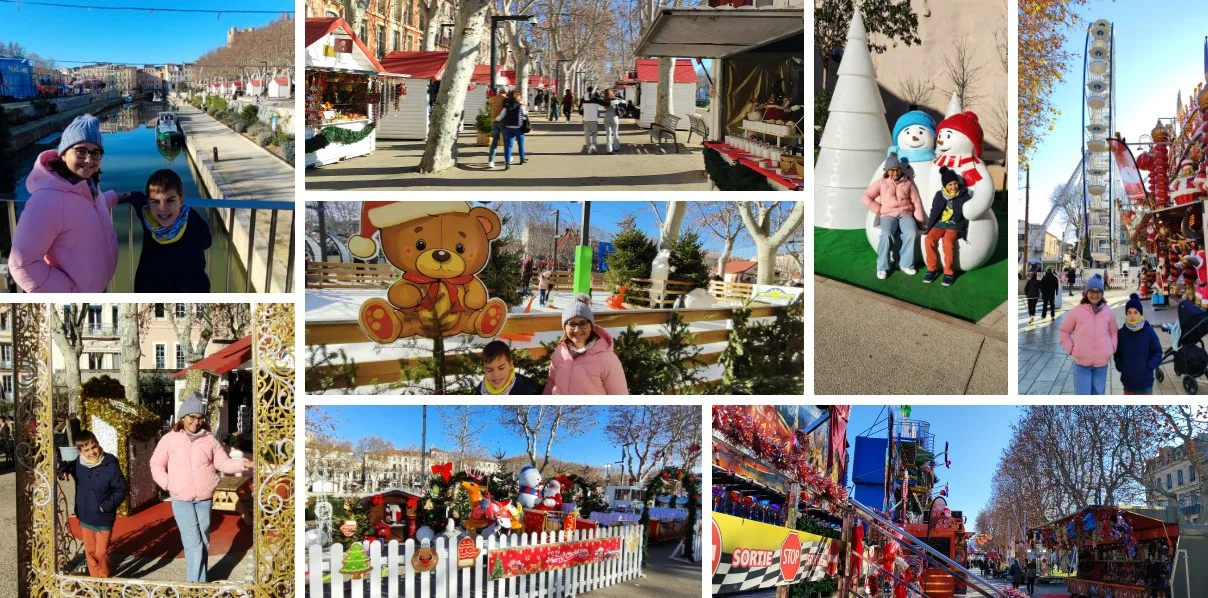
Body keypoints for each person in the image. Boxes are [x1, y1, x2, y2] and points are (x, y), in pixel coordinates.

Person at [11, 114, 128, 292]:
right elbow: (22, 265)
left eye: (95, 153)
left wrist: (115, 197)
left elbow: (86, 208)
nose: (89, 160)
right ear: (64, 154)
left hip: (100, 288)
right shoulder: (45, 201)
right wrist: (70, 292)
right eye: (81, 151)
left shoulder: (88, 185)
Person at [150, 393, 252, 582]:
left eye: (200, 418)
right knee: (193, 543)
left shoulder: (210, 439)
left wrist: (243, 464)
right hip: (181, 499)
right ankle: (195, 586)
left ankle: (201, 579)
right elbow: (156, 464)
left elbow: (223, 463)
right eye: (192, 417)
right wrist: (168, 484)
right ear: (183, 417)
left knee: (204, 540)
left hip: (204, 498)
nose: (196, 422)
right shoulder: (169, 439)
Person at [123, 169, 212, 292]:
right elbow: (207, 242)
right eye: (155, 201)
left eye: (170, 200)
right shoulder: (149, 216)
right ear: (148, 203)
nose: (163, 208)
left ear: (181, 200)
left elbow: (206, 241)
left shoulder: (190, 222)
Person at [58, 430, 127, 578]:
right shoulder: (78, 464)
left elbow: (121, 489)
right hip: (85, 514)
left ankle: (105, 579)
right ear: (80, 451)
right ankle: (95, 580)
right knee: (90, 552)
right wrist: (62, 470)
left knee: (101, 552)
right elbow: (66, 466)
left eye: (93, 447)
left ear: (98, 443)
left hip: (103, 516)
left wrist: (106, 506)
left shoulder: (110, 463)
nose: (92, 452)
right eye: (87, 450)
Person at [544, 294, 628, 394]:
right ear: (565, 327)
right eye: (571, 323)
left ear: (591, 326)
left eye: (583, 323)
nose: (577, 329)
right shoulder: (560, 352)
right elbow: (551, 384)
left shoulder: (607, 359)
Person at [861, 153, 925, 279]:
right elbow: (866, 197)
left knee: (911, 232)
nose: (895, 173)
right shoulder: (881, 183)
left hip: (906, 214)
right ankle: (882, 267)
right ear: (887, 171)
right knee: (886, 234)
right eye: (891, 170)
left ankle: (905, 264)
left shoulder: (908, 183)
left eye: (897, 169)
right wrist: (879, 209)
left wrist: (919, 218)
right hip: (888, 215)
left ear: (900, 169)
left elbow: (916, 201)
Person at [1059, 273, 1117, 395]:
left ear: (1102, 294)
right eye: (1091, 291)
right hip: (1081, 364)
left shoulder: (1108, 312)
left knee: (1098, 394)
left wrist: (1111, 348)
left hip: (1101, 363)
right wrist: (1072, 349)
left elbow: (1113, 332)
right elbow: (1064, 331)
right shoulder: (1076, 312)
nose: (1095, 295)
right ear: (1086, 293)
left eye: (1098, 292)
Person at [922, 167, 969, 287]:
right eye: (950, 185)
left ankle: (948, 272)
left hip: (954, 225)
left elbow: (968, 211)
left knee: (947, 242)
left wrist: (963, 227)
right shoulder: (939, 195)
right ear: (945, 186)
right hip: (939, 224)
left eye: (955, 183)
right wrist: (929, 226)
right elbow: (934, 210)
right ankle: (932, 269)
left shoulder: (963, 194)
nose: (953, 187)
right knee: (929, 240)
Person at [1114, 293, 1163, 395]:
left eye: (1135, 312)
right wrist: (1121, 366)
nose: (1132, 316)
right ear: (1126, 314)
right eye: (1129, 312)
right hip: (1128, 381)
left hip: (1145, 381)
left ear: (1140, 314)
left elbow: (1157, 352)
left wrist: (1149, 366)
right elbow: (1117, 352)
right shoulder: (1122, 333)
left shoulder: (1148, 331)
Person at [494, 90, 528, 171]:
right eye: (519, 95)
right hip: (518, 128)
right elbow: (525, 114)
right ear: (517, 96)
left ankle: (507, 163)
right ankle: (522, 158)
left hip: (508, 128)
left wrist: (495, 120)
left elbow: (502, 115)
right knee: (521, 144)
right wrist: (525, 107)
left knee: (509, 146)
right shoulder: (520, 105)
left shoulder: (507, 104)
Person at [485, 89, 508, 169]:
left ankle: (491, 161)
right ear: (506, 92)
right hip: (503, 123)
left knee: (494, 142)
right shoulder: (506, 99)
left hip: (494, 122)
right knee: (506, 141)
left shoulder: (493, 98)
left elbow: (489, 105)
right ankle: (507, 159)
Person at [602, 89, 625, 154]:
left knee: (608, 134)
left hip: (606, 117)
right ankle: (616, 148)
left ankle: (609, 149)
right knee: (615, 133)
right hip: (614, 117)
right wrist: (616, 97)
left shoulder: (604, 101)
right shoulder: (616, 100)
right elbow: (623, 101)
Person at [581, 89, 602, 153]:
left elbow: (580, 109)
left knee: (587, 134)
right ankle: (593, 145)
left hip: (585, 118)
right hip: (593, 119)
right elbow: (605, 103)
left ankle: (588, 147)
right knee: (594, 133)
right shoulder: (595, 99)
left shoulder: (583, 99)